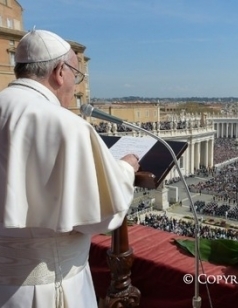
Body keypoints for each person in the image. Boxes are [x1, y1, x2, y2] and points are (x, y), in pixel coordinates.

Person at [0, 29, 140, 307]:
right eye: (76, 76)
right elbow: (100, 218)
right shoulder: (67, 125)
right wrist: (125, 170)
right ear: (59, 71)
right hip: (46, 288)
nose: (75, 87)